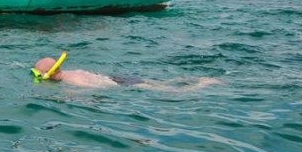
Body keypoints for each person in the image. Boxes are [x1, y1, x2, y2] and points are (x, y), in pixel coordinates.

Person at [32, 55, 220, 92]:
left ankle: (202, 84)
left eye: (40, 74)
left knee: (168, 90)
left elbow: (97, 91)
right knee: (161, 82)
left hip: (119, 84)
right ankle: (193, 79)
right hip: (116, 77)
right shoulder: (68, 73)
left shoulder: (73, 83)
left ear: (50, 74)